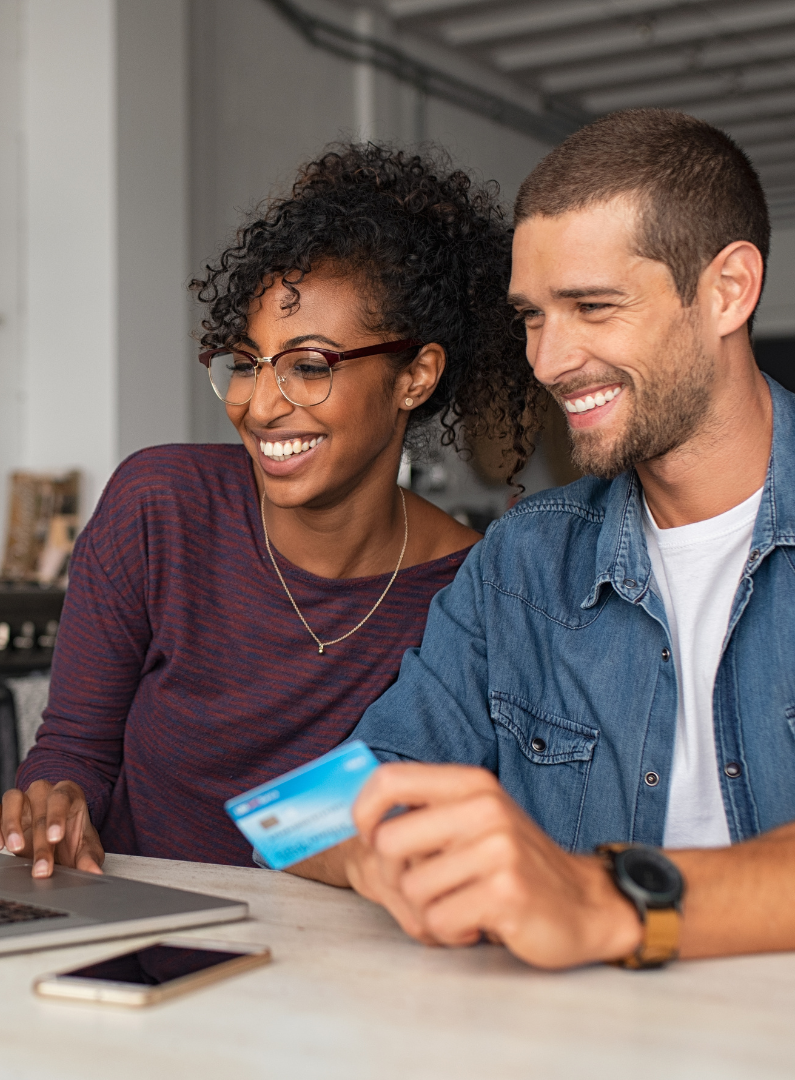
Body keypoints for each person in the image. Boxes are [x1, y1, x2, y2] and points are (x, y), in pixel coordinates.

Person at [299, 108, 795, 970]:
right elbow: (302, 816)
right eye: (532, 315)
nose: (548, 360)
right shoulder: (522, 564)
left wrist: (604, 901)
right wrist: (401, 854)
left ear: (727, 291)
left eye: (592, 306)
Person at [0, 145, 540, 875]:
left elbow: (361, 820)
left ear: (416, 377)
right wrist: (51, 810)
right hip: (119, 955)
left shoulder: (470, 593)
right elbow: (72, 751)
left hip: (313, 976)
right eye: (247, 362)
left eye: (309, 367)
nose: (260, 405)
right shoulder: (160, 508)